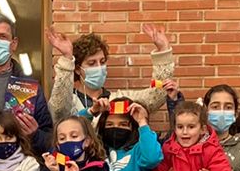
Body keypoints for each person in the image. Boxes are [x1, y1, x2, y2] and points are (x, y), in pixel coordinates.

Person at [46, 24, 176, 127]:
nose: (99, 67)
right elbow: (58, 110)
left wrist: (163, 51)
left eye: (102, 62)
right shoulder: (70, 101)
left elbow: (155, 96)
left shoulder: (118, 98)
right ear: (78, 69)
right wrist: (67, 58)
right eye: (92, 63)